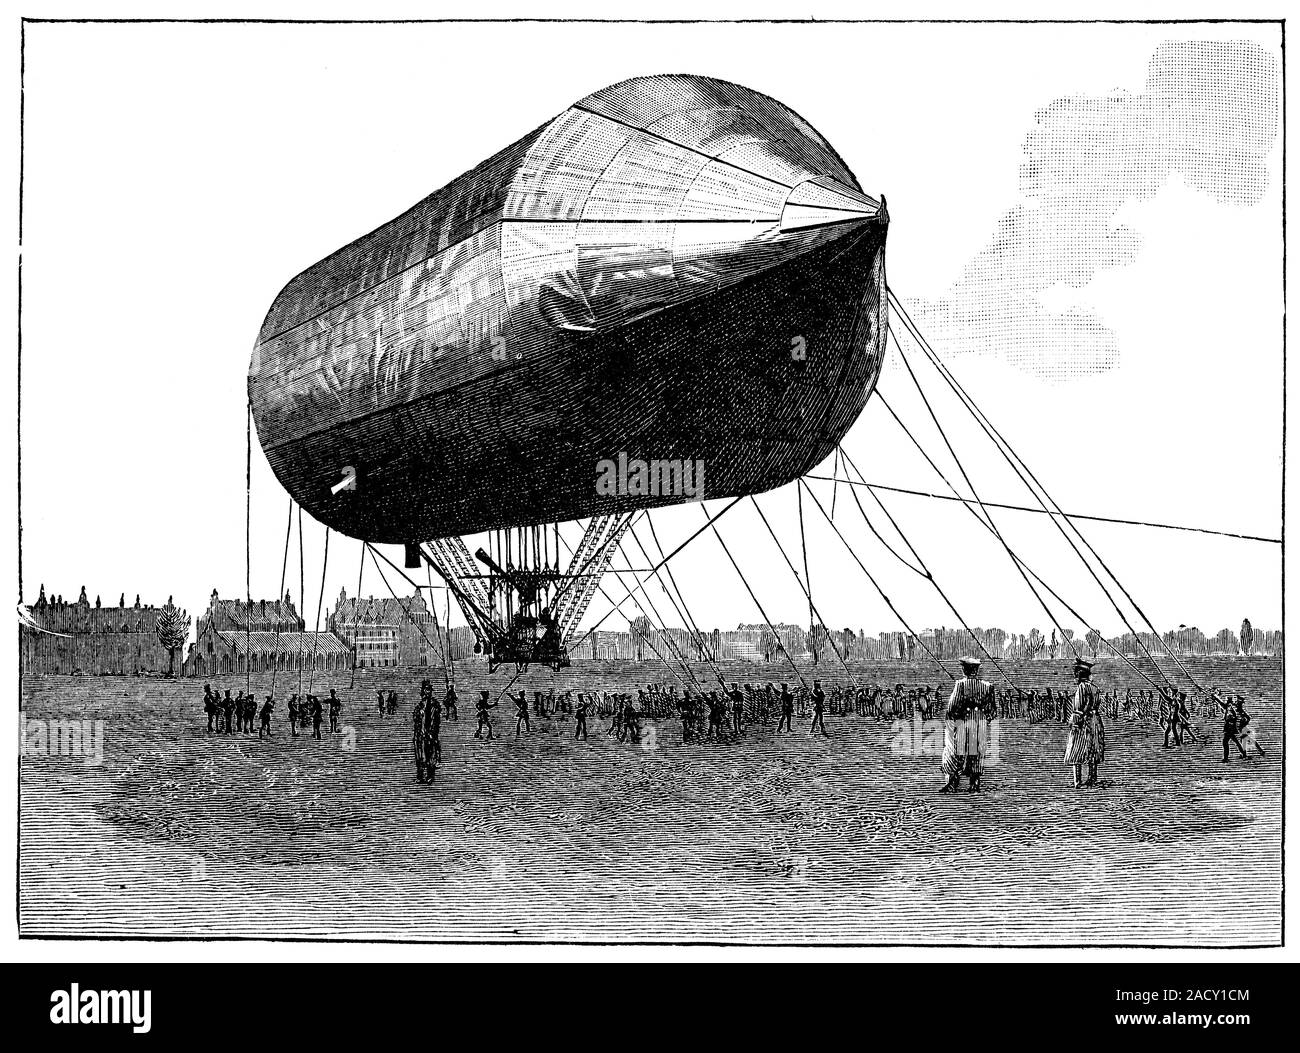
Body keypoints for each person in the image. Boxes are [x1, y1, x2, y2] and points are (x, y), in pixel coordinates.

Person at [941, 658, 994, 793]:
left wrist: (952, 720)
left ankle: (952, 782)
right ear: (976, 670)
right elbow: (992, 710)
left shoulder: (960, 685)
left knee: (956, 751)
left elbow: (953, 707)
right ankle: (974, 784)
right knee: (976, 752)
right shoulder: (988, 686)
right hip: (979, 721)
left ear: (964, 669)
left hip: (963, 722)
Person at [1063, 657, 1105, 788]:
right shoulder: (1095, 688)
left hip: (1083, 722)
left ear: (1079, 675)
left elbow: (1079, 708)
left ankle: (1077, 781)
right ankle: (1092, 779)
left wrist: (1074, 722)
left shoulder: (1082, 687)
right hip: (1095, 721)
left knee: (1077, 749)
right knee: (1093, 749)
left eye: (1075, 674)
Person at [423, 692, 441, 778]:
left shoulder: (435, 704)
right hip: (424, 731)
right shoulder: (422, 704)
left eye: (429, 690)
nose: (427, 693)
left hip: (433, 730)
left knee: (433, 747)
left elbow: (436, 718)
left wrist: (433, 731)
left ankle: (431, 773)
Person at [413, 696, 428, 782]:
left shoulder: (431, 708)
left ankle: (427, 774)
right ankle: (420, 774)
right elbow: (415, 720)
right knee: (419, 756)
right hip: (419, 735)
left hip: (426, 736)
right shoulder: (418, 709)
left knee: (425, 755)